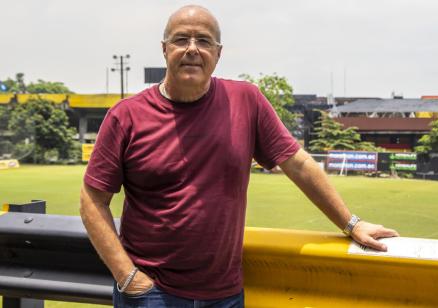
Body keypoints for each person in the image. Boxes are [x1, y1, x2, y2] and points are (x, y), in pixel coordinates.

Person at [79, 5, 398, 308]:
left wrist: (350, 223)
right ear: (165, 49)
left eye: (204, 40)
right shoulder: (127, 116)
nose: (192, 48)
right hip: (152, 294)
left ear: (218, 54)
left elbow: (298, 164)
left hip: (225, 295)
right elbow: (92, 200)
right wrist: (127, 276)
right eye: (181, 39)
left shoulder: (246, 101)